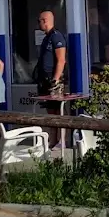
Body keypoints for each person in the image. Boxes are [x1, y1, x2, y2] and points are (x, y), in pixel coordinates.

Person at [35, 9, 67, 147]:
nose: (38, 24)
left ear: (45, 21)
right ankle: (52, 140)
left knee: (59, 111)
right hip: (44, 80)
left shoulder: (56, 36)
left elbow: (61, 60)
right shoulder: (46, 38)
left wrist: (56, 80)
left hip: (53, 80)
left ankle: (62, 140)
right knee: (50, 112)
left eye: (39, 21)